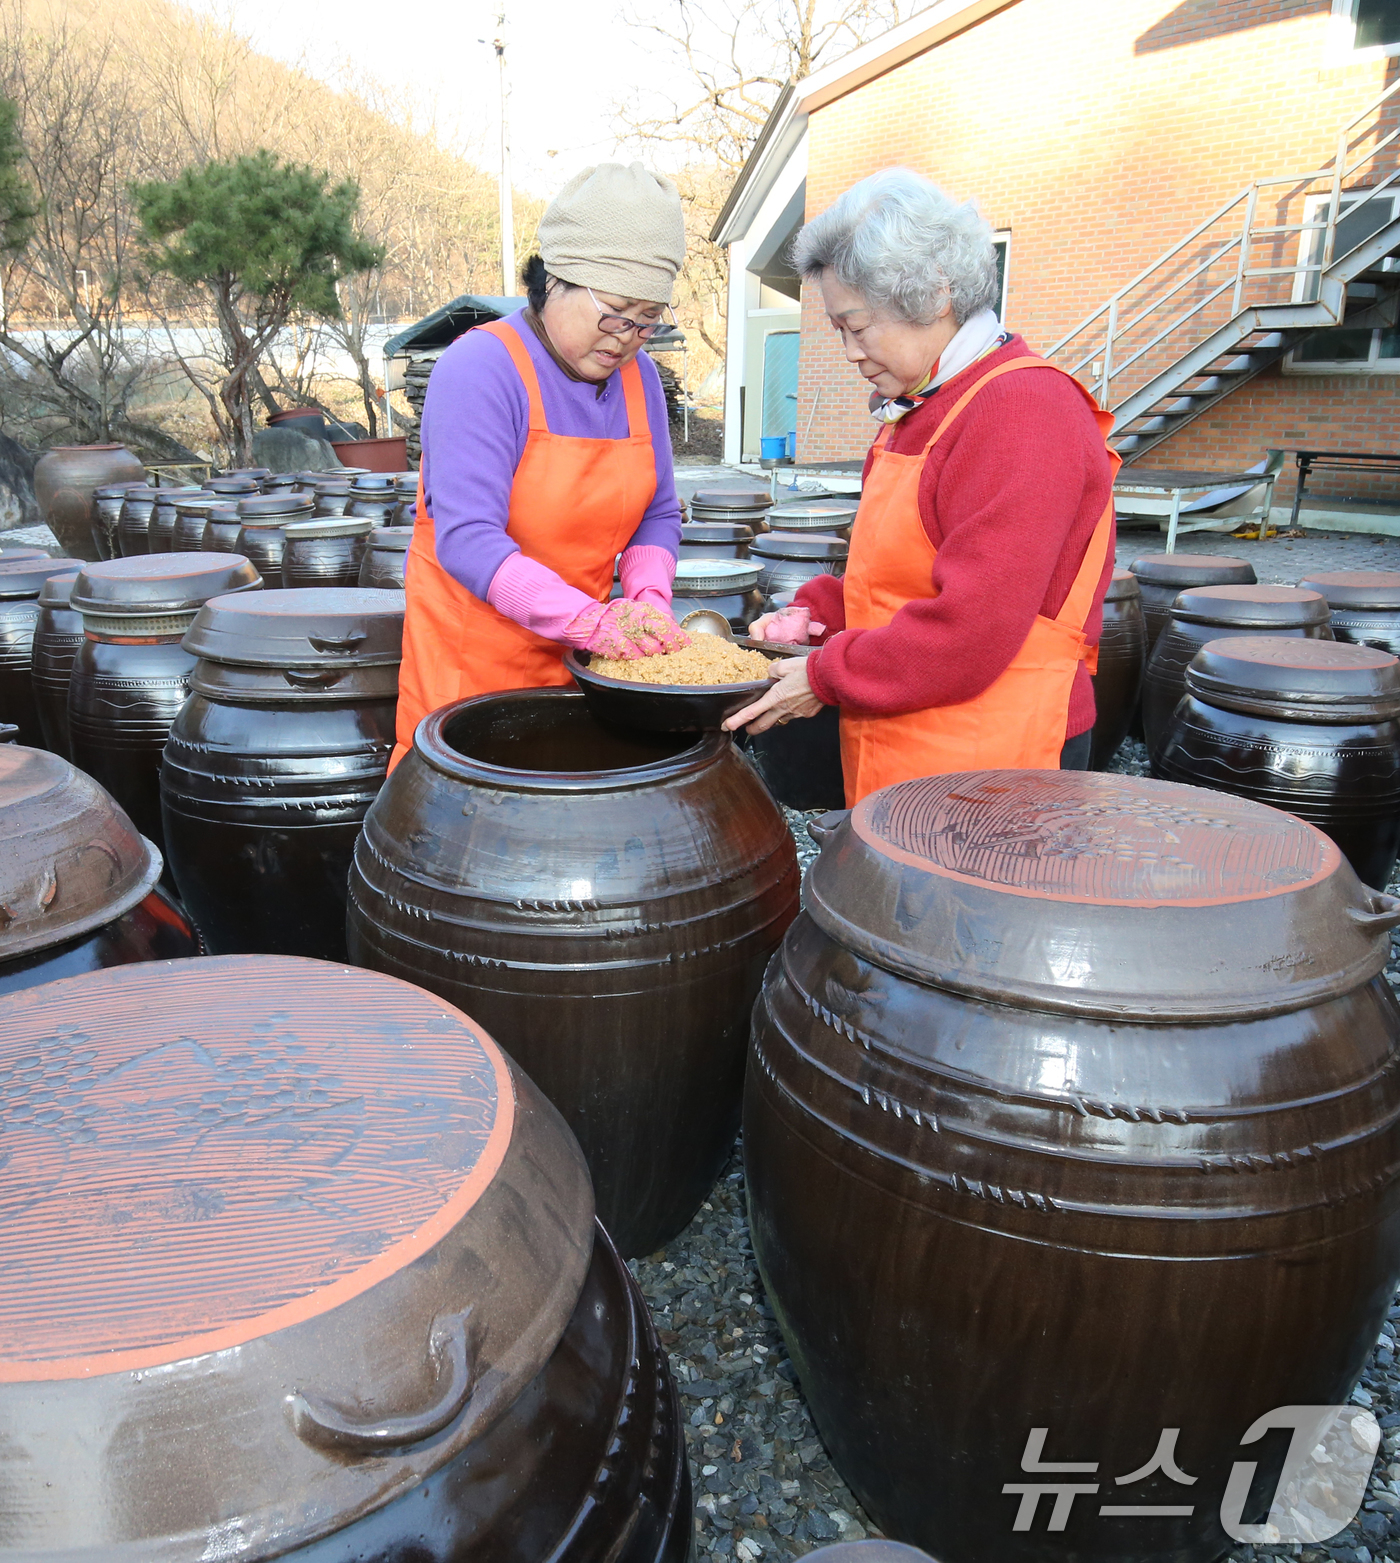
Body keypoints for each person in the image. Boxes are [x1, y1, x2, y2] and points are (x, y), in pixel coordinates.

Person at [726, 168, 1119, 805]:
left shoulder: (1021, 408)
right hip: (908, 738)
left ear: (934, 295)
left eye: (858, 325)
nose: (851, 352)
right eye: (840, 331)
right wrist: (819, 613)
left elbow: (973, 628)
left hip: (995, 762)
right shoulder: (923, 404)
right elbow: (900, 576)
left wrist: (825, 676)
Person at [392, 162, 691, 767]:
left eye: (648, 318)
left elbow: (656, 512)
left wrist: (649, 603)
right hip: (470, 677)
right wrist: (586, 620)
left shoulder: (642, 380)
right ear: (555, 280)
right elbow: (468, 539)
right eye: (615, 310)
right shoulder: (480, 369)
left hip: (581, 669)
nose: (628, 336)